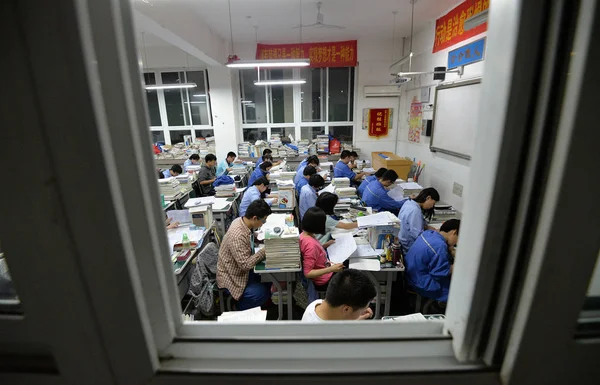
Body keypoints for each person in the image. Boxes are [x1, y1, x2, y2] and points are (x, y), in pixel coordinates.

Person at [217, 200, 273, 310]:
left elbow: (249, 236)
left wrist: (258, 236)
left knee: (269, 281)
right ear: (255, 218)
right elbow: (245, 265)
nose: (263, 224)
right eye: (263, 221)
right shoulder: (237, 235)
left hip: (239, 270)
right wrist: (265, 250)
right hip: (232, 277)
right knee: (262, 293)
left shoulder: (242, 221)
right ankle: (239, 309)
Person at [404, 219, 460, 308]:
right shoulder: (439, 246)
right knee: (459, 292)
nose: (457, 243)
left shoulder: (429, 233)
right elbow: (440, 273)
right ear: (454, 232)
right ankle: (440, 306)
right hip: (421, 283)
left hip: (411, 273)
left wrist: (451, 250)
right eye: (458, 239)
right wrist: (458, 264)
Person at [301, 269, 376, 322]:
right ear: (346, 309)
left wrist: (354, 316)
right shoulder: (326, 338)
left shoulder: (316, 305)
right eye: (361, 310)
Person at [300, 207, 342, 290]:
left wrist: (325, 245)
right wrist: (331, 269)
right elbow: (308, 273)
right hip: (323, 279)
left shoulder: (304, 235)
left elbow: (312, 252)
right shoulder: (311, 245)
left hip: (324, 266)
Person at [398, 187, 440, 253]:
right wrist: (433, 233)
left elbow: (412, 223)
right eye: (433, 203)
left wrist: (426, 227)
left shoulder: (409, 202)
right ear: (428, 198)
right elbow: (418, 235)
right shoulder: (415, 210)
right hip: (409, 246)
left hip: (402, 240)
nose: (432, 206)